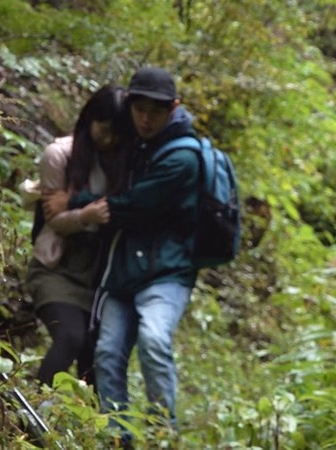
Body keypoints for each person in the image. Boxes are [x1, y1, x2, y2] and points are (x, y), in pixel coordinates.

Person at [43, 67, 200, 438]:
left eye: (156, 111)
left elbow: (133, 203)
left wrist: (76, 201)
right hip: (123, 271)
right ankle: (118, 439)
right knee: (107, 354)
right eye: (139, 109)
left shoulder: (181, 157)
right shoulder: (132, 142)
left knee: (154, 339)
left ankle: (164, 435)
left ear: (173, 108)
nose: (146, 118)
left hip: (165, 272)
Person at [25, 84, 129, 389]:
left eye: (117, 133)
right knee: (70, 336)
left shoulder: (123, 161)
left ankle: (93, 428)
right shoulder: (60, 155)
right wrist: (87, 216)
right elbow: (54, 220)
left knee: (96, 354)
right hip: (57, 265)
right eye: (104, 129)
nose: (109, 139)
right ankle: (36, 407)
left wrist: (81, 204)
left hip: (99, 272)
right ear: (89, 119)